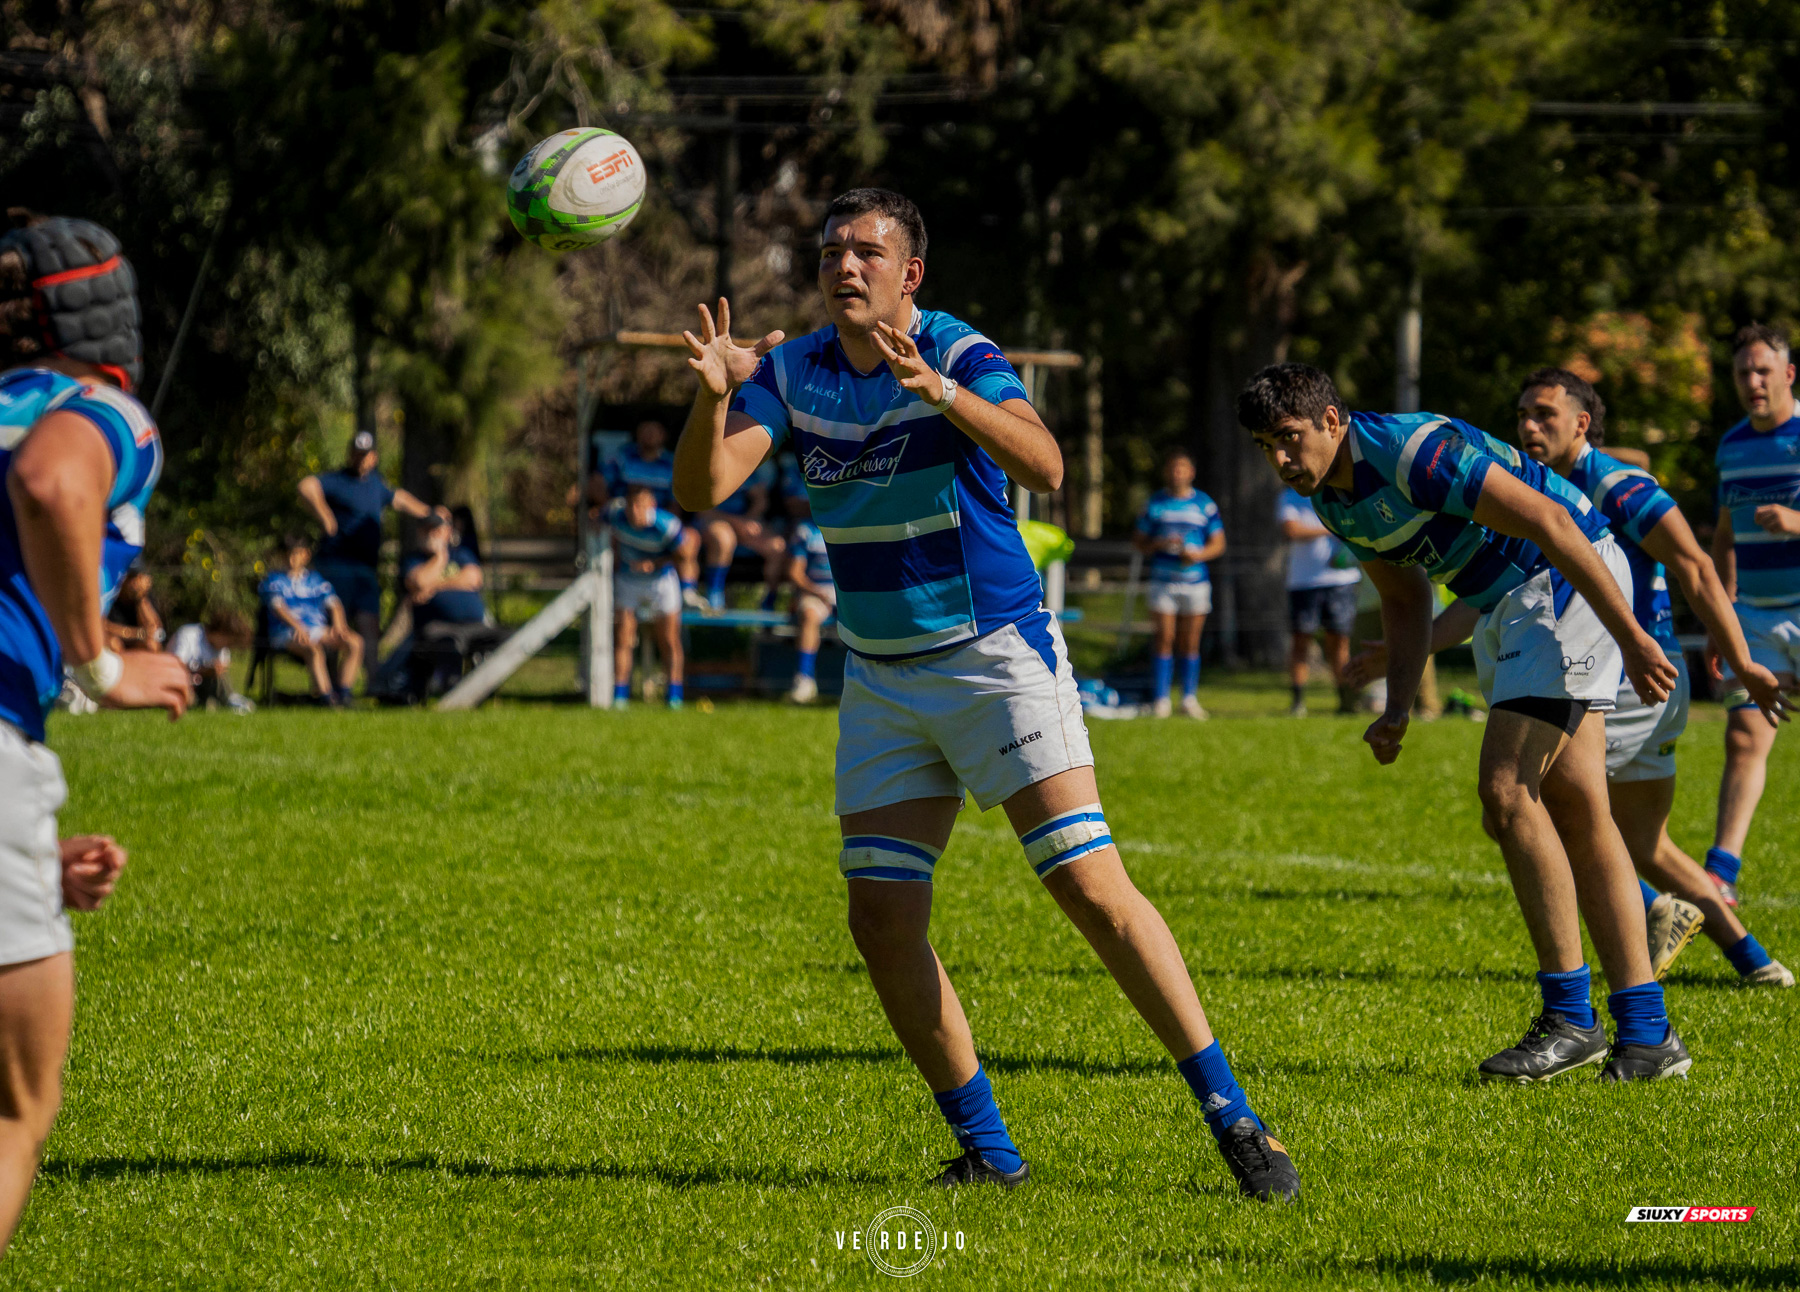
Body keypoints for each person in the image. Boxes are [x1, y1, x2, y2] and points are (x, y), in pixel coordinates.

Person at [676, 187, 1300, 1201]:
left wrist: (943, 395)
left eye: (867, 251)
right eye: (831, 251)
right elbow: (702, 491)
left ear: (910, 273)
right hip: (881, 677)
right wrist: (713, 397)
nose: (844, 266)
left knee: (1090, 888)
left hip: (995, 659)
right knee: (880, 920)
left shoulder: (958, 349)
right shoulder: (792, 369)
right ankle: (990, 1152)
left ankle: (1234, 1116)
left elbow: (1046, 466)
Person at [1241, 361, 1689, 1083]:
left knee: (1507, 793)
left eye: (1290, 437)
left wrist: (1632, 637)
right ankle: (1648, 1034)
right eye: (1267, 446)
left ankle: (1572, 1020)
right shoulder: (1334, 501)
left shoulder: (1411, 453)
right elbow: (1404, 598)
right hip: (1515, 602)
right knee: (1578, 806)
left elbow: (1551, 522)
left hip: (1558, 580)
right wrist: (1397, 708)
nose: (1282, 459)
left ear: (1330, 420)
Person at [0, 214, 191, 1249]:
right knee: (13, 1112)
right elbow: (52, 479)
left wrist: (33, 858)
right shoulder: (100, 409)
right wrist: (101, 665)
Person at [1705, 324, 1800, 907]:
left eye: (1763, 370)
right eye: (1743, 372)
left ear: (1789, 374)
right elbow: (1724, 536)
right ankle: (1720, 875)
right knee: (1744, 737)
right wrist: (1725, 616)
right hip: (1755, 620)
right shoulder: (1731, 445)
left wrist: (1795, 523)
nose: (1753, 381)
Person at [296, 430, 433, 683]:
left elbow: (400, 499)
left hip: (366, 571)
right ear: (350, 454)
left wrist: (430, 513)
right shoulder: (337, 480)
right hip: (336, 567)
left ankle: (374, 683)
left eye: (366, 455)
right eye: (357, 454)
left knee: (369, 625)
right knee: (335, 628)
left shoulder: (376, 484)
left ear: (374, 457)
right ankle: (329, 688)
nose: (361, 459)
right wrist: (324, 514)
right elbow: (306, 486)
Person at [1133, 447, 1223, 719]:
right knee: (1164, 637)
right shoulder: (1155, 504)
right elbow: (1139, 541)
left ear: (1191, 472)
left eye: (1182, 468)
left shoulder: (1204, 504)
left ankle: (1188, 698)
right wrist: (1159, 544)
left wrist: (1197, 555)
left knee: (1190, 641)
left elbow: (1218, 543)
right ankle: (1161, 699)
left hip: (1195, 581)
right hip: (1163, 581)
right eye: (1173, 468)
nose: (1177, 473)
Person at [591, 419, 704, 607]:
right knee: (600, 530)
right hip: (622, 520)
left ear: (663, 435)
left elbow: (678, 502)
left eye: (654, 430)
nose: (649, 435)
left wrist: (659, 524)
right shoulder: (621, 458)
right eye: (645, 429)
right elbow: (596, 483)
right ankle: (605, 589)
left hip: (658, 523)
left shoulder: (673, 463)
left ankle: (687, 592)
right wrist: (611, 508)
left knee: (688, 540)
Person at [1277, 483, 1360, 716]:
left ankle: (1345, 701)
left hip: (1341, 579)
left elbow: (1357, 524)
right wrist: (1331, 527)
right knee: (1301, 641)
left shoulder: (1342, 492)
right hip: (1304, 581)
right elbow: (1292, 530)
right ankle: (1298, 702)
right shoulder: (1291, 496)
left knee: (1339, 642)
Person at [401, 513, 503, 701]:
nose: (432, 535)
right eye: (427, 530)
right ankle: (454, 695)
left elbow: (474, 578)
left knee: (509, 637)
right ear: (420, 532)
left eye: (437, 530)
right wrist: (440, 557)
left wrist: (433, 586)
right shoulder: (414, 560)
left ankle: (487, 690)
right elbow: (418, 581)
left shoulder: (461, 554)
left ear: (447, 532)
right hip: (438, 627)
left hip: (476, 625)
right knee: (448, 643)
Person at [261, 535, 363, 705]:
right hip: (286, 631)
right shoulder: (273, 580)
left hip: (317, 629)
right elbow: (278, 608)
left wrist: (339, 626)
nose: (292, 559)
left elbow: (334, 604)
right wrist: (298, 627)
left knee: (355, 642)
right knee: (313, 649)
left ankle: (344, 694)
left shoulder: (315, 580)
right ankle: (327, 699)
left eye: (296, 553)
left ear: (306, 555)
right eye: (288, 554)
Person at [608, 485, 685, 708]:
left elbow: (683, 556)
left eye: (640, 506)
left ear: (651, 506)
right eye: (631, 505)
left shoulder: (667, 525)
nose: (635, 511)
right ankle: (620, 696)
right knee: (623, 637)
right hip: (628, 581)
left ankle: (674, 696)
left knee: (669, 639)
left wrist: (654, 564)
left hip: (661, 582)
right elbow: (596, 518)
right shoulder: (615, 516)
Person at [695, 451, 787, 610]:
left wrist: (750, 519)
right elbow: (701, 510)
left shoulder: (749, 465)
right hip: (713, 522)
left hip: (743, 523)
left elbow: (761, 501)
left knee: (777, 546)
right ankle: (714, 595)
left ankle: (769, 601)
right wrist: (739, 523)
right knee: (724, 538)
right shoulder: (707, 465)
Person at [786, 499, 835, 704]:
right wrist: (817, 592)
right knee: (809, 615)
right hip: (815, 590)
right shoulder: (805, 530)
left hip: (846, 591)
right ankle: (804, 679)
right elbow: (795, 573)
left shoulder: (849, 524)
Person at [169, 607, 255, 713]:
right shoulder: (188, 635)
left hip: (202, 683)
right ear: (220, 632)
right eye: (228, 642)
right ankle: (228, 701)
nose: (227, 646)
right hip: (180, 681)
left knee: (219, 676)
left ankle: (224, 700)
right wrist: (204, 670)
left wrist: (213, 671)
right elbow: (175, 666)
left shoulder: (222, 650)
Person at [104, 567, 164, 653]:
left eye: (138, 577)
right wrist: (138, 633)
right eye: (131, 577)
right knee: (114, 643)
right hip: (116, 641)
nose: (135, 582)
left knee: (152, 645)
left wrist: (140, 598)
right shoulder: (109, 594)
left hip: (135, 644)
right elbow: (104, 626)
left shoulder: (144, 599)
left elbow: (155, 630)